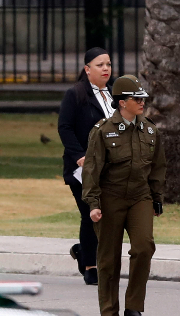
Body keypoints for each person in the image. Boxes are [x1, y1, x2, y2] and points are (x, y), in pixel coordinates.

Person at [81, 74, 166, 316]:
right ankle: (110, 314)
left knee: (144, 247)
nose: (141, 102)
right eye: (135, 98)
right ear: (121, 102)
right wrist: (93, 203)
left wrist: (156, 197)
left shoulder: (150, 129)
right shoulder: (103, 131)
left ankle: (134, 307)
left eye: (142, 98)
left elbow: (157, 167)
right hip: (110, 197)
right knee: (109, 258)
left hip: (140, 196)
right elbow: (92, 170)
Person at [58, 47, 114, 286]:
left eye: (108, 65)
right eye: (100, 65)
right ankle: (90, 266)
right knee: (90, 214)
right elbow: (65, 127)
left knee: (105, 216)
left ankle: (84, 250)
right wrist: (80, 155)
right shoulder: (76, 94)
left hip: (108, 169)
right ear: (87, 69)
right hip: (81, 169)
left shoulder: (112, 94)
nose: (105, 69)